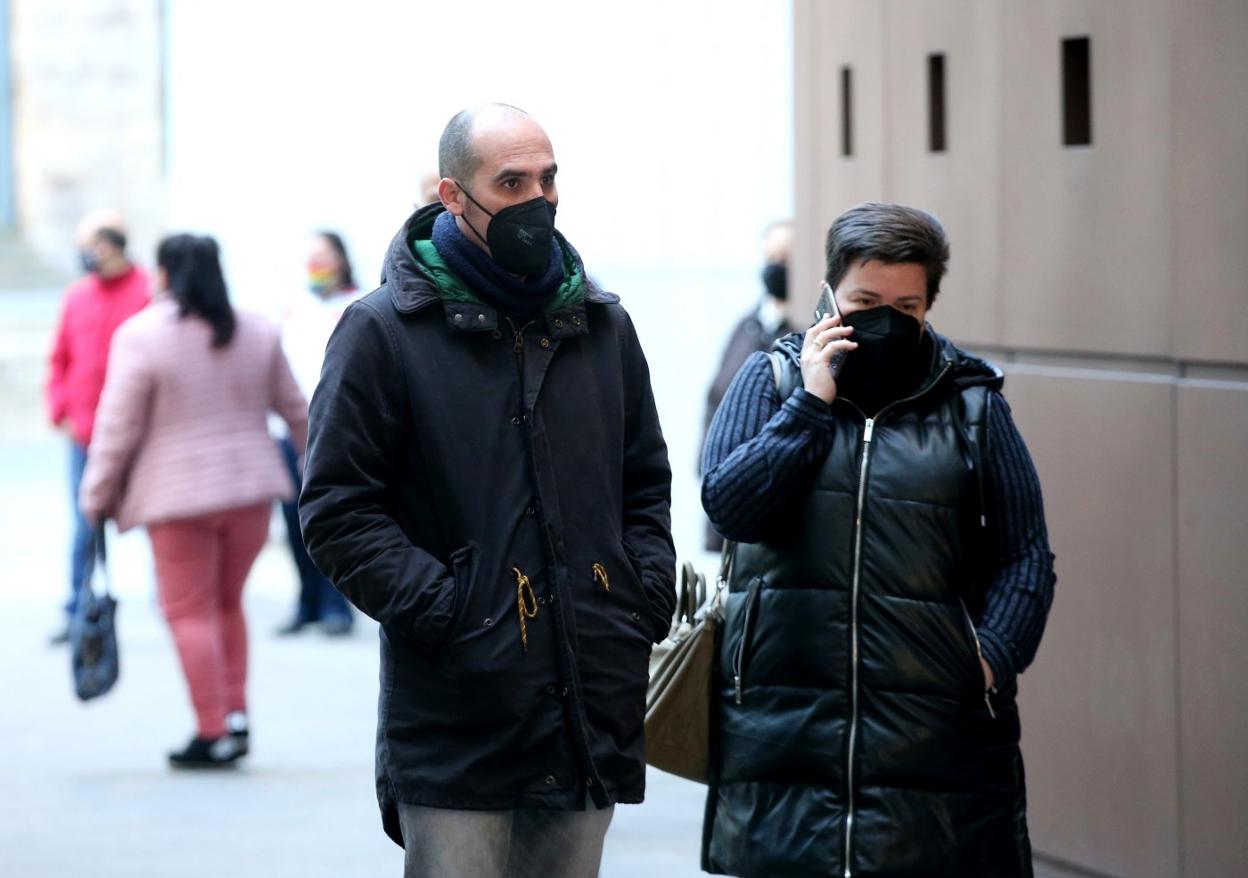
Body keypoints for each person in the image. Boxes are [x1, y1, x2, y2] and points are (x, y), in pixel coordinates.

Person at [299, 103, 676, 877]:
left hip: (587, 699)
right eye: (511, 182)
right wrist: (451, 611)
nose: (538, 199)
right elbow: (337, 509)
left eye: (548, 177)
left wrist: (638, 598)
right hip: (457, 712)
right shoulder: (381, 332)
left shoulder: (602, 326)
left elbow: (645, 484)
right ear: (452, 196)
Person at [701, 203, 1056, 877]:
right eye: (865, 300)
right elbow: (731, 507)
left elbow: (1026, 555)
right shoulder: (771, 382)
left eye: (906, 304)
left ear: (929, 304)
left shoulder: (972, 403)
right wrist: (811, 405)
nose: (885, 317)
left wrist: (987, 660)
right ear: (831, 292)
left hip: (932, 745)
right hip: (781, 736)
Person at [80, 234, 308, 768]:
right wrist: (326, 474)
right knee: (227, 605)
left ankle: (212, 730)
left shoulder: (142, 336)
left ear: (162, 275)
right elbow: (299, 411)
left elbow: (117, 429)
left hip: (177, 500)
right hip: (252, 491)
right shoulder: (256, 329)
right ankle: (236, 717)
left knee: (189, 613)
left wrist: (95, 497)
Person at [44, 209, 150, 644]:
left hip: (138, 435)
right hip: (86, 433)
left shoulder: (147, 290)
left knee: (158, 519)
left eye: (95, 245)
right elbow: (60, 359)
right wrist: (60, 410)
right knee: (84, 524)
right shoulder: (77, 296)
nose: (88, 255)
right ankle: (77, 609)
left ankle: (176, 603)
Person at [273, 231, 360, 636]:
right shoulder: (294, 308)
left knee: (331, 519)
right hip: (289, 430)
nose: (317, 264)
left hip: (336, 429)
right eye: (310, 257)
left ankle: (335, 604)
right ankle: (307, 600)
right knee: (292, 520)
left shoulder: (357, 305)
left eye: (323, 256)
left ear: (341, 260)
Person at [700, 219, 797, 551]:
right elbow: (715, 397)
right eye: (771, 257)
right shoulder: (746, 326)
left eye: (786, 257)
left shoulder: (809, 333)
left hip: (775, 516)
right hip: (729, 502)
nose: (777, 266)